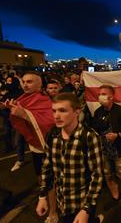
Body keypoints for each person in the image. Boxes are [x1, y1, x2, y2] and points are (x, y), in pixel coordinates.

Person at [36, 93, 103, 223]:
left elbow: (97, 175)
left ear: (77, 111)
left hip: (81, 203)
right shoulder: (52, 135)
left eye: (63, 110)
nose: (56, 116)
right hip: (62, 203)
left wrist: (86, 209)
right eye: (54, 111)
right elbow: (46, 166)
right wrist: (42, 196)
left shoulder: (89, 136)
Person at [3, 71, 58, 223]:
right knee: (40, 178)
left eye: (30, 82)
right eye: (24, 82)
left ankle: (53, 212)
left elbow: (48, 122)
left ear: (40, 85)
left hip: (46, 148)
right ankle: (44, 198)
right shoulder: (23, 99)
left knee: (49, 181)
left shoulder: (44, 100)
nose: (26, 84)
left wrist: (25, 115)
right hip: (34, 148)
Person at [90, 85, 121, 200]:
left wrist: (117, 135)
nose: (100, 96)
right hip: (103, 149)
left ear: (111, 97)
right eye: (99, 94)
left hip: (119, 148)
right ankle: (113, 189)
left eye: (103, 94)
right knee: (107, 172)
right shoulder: (98, 112)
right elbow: (94, 129)